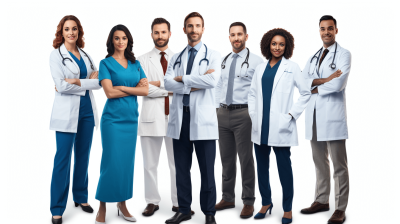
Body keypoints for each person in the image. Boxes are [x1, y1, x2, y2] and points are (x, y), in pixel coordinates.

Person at [248, 28, 311, 224]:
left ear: (287, 47)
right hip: (261, 126)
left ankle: (287, 208)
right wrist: (253, 114)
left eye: (281, 44)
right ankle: (266, 203)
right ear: (268, 44)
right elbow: (252, 94)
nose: (277, 47)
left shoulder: (292, 67)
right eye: (274, 44)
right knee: (262, 168)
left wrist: (291, 115)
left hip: (281, 126)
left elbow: (306, 93)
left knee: (284, 169)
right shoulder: (260, 68)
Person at [164, 12, 221, 224]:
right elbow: (167, 84)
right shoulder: (176, 57)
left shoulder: (214, 55)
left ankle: (209, 213)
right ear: (184, 29)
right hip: (181, 120)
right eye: (190, 26)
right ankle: (184, 209)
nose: (194, 30)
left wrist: (183, 80)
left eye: (197, 26)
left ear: (203, 29)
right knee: (181, 169)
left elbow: (212, 80)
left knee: (207, 170)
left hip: (203, 120)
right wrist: (196, 82)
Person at [138, 17, 193, 217]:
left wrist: (157, 84)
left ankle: (179, 202)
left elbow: (185, 87)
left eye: (163, 32)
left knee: (177, 163)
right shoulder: (141, 60)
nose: (160, 36)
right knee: (150, 164)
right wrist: (169, 86)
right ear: (151, 34)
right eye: (156, 32)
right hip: (150, 118)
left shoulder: (181, 58)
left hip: (175, 118)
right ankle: (152, 201)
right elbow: (142, 89)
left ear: (170, 33)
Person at [49, 15, 101, 224]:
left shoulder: (85, 55)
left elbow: (99, 82)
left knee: (83, 156)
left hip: (87, 111)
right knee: (62, 159)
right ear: (61, 32)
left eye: (75, 29)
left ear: (79, 31)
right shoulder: (55, 56)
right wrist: (85, 82)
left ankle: (80, 197)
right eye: (67, 29)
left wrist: (77, 81)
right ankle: (57, 208)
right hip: (66, 113)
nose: (71, 32)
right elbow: (61, 86)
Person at [94, 24, 149, 224]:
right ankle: (102, 205)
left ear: (128, 41)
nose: (120, 42)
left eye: (124, 38)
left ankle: (122, 203)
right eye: (117, 38)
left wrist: (123, 87)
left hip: (131, 120)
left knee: (126, 164)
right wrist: (133, 87)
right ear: (111, 41)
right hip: (112, 121)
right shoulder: (105, 63)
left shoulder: (135, 64)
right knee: (110, 163)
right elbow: (109, 93)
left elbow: (145, 91)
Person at [300, 15, 351, 224]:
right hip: (313, 117)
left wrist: (315, 87)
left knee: (339, 165)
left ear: (336, 30)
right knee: (319, 162)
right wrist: (319, 84)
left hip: (332, 117)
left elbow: (338, 84)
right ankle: (321, 200)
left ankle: (340, 208)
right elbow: (302, 82)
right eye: (323, 29)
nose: (326, 32)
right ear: (319, 31)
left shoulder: (344, 55)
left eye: (330, 28)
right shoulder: (313, 57)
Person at [214, 22, 263, 218]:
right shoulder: (225, 60)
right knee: (226, 159)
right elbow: (219, 85)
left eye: (239, 34)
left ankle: (248, 201)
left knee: (245, 159)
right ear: (229, 37)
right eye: (233, 35)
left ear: (246, 36)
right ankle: (227, 197)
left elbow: (259, 91)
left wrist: (254, 114)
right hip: (223, 114)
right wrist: (216, 108)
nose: (236, 38)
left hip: (244, 115)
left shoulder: (257, 61)